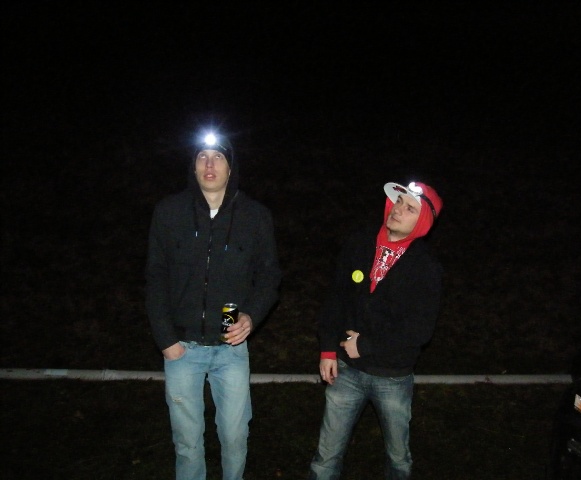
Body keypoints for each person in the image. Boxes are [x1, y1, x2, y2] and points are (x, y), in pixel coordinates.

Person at [145, 130, 282, 480]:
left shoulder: (255, 216)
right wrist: (165, 339)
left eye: (218, 157)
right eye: (202, 157)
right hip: (181, 346)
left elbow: (269, 276)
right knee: (187, 442)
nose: (209, 164)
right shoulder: (169, 212)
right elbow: (156, 277)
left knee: (235, 437)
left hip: (229, 345)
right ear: (192, 167)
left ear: (230, 167)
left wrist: (251, 316)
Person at [308, 180, 444, 480]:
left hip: (392, 376)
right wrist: (328, 348)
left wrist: (367, 345)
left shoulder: (426, 267)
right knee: (325, 456)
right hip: (346, 370)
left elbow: (420, 329)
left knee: (398, 458)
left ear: (422, 222)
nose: (398, 210)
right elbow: (336, 299)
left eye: (410, 209)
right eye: (398, 202)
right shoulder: (359, 244)